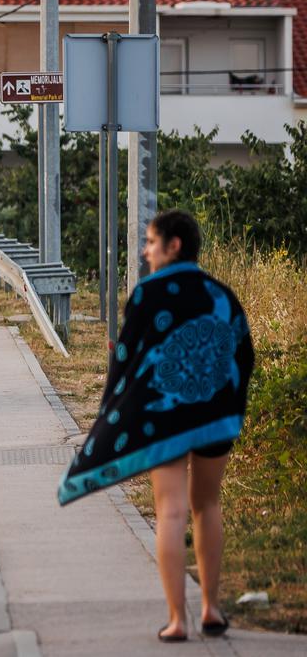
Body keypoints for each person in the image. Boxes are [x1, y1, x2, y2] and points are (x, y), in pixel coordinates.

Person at [57, 210, 254, 643]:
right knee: (208, 505)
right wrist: (231, 408)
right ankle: (212, 610)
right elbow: (243, 354)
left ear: (174, 245)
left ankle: (178, 620)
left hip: (164, 418)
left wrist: (112, 414)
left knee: (171, 511)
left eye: (150, 242)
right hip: (216, 415)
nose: (145, 252)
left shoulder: (147, 294)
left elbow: (125, 364)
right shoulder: (221, 294)